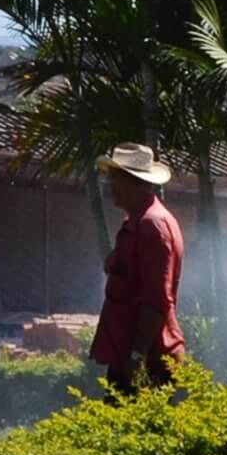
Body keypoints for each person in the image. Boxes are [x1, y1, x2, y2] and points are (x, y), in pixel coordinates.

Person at [92, 143, 187, 395]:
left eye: (115, 178)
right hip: (129, 353)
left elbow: (156, 298)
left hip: (148, 358)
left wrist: (137, 354)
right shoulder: (136, 222)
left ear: (135, 182)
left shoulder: (152, 227)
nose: (110, 185)